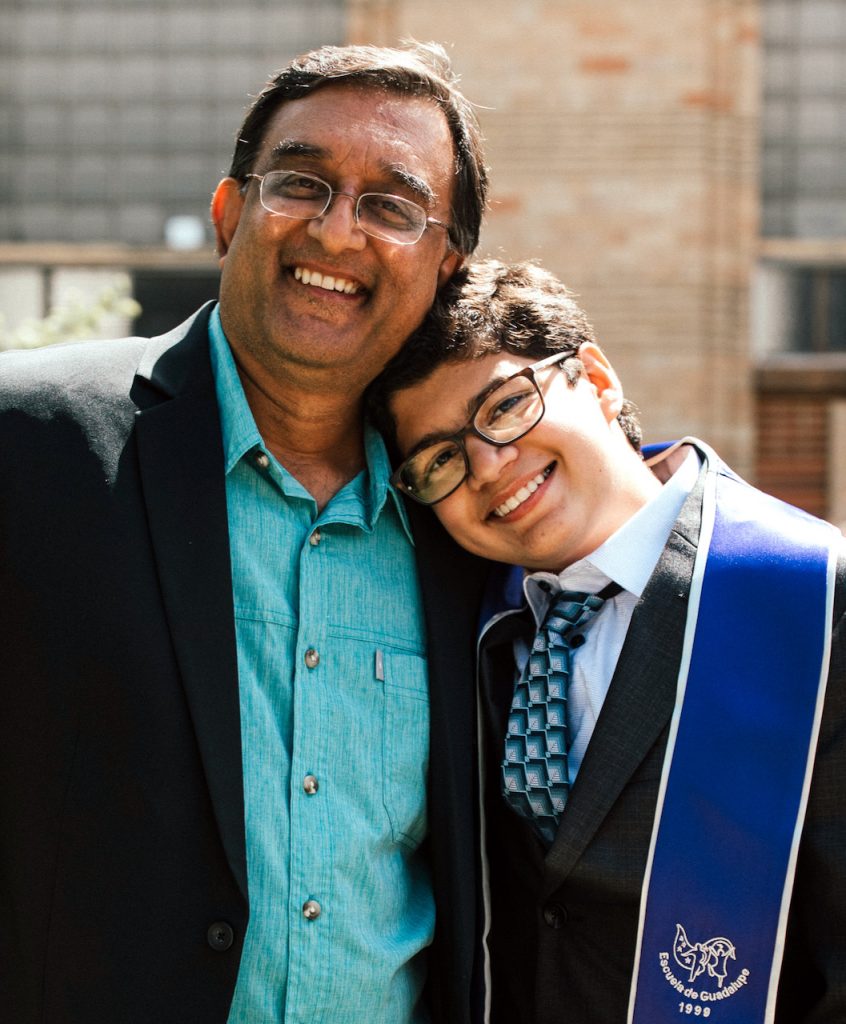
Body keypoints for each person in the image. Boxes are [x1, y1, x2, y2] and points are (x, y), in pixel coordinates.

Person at [0, 43, 492, 1024]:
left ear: (446, 267)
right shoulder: (29, 443)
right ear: (230, 215)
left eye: (391, 204)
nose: (335, 228)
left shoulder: (469, 520)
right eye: (300, 182)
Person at [367, 258, 846, 1023]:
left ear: (596, 379)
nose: (489, 467)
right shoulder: (471, 625)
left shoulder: (815, 598)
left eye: (505, 407)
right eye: (441, 460)